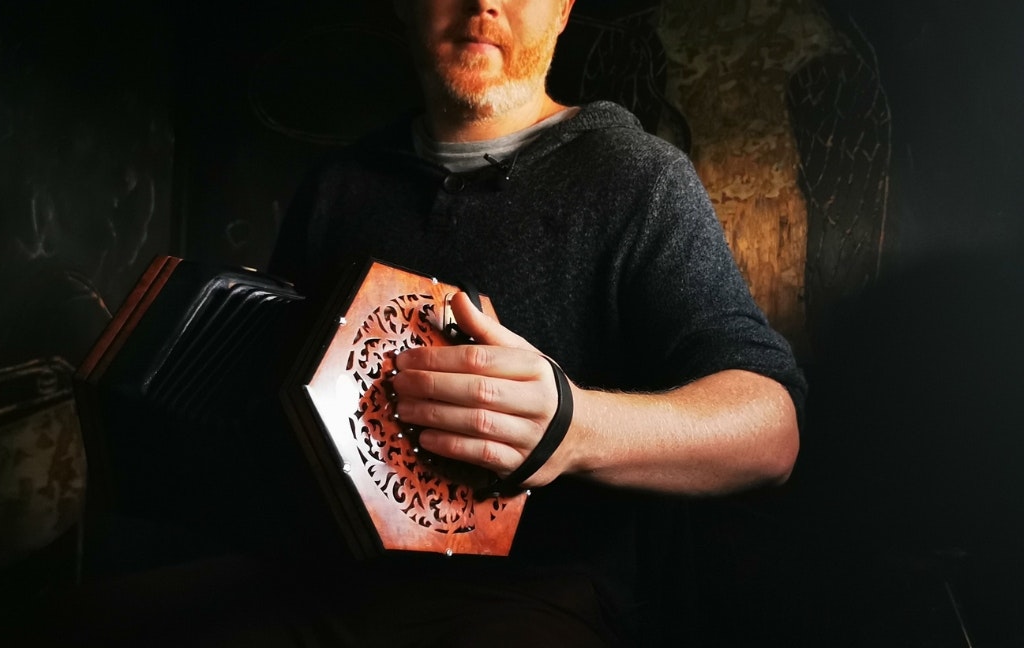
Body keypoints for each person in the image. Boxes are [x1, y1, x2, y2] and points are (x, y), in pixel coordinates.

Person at [266, 0, 806, 645]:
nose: (484, 4)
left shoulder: (640, 176)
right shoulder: (336, 185)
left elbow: (771, 434)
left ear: (563, 11)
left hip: (540, 598)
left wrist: (572, 429)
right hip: (310, 579)